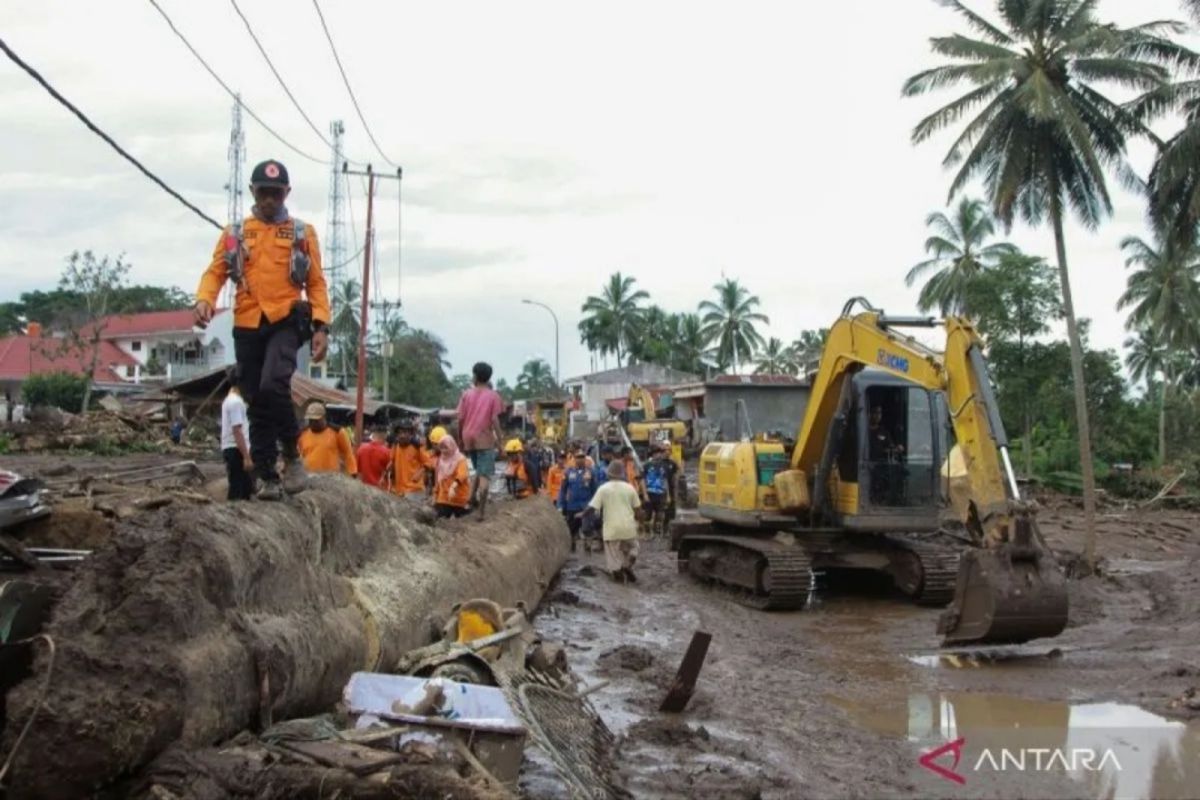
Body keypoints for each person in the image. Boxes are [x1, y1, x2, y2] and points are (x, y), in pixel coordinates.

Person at [195, 158, 330, 501]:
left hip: (286, 318)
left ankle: (292, 454)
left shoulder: (302, 233)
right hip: (248, 322)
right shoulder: (236, 233)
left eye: (276, 193)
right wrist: (204, 300)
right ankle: (268, 476)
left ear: (287, 193)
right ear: (253, 192)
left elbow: (316, 284)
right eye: (264, 193)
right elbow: (215, 272)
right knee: (256, 399)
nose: (270, 200)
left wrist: (321, 327)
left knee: (274, 384)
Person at [456, 362, 505, 520]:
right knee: (485, 477)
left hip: (468, 436)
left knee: (479, 469)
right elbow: (495, 420)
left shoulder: (466, 394)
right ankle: (481, 512)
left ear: (475, 376)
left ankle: (471, 498)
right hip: (484, 439)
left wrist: (460, 438)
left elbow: (460, 418)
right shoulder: (493, 396)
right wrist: (500, 441)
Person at [585, 461, 644, 582]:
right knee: (634, 548)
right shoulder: (630, 488)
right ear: (622, 474)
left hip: (611, 530)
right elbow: (638, 510)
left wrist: (582, 514)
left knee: (614, 557)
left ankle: (619, 581)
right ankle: (628, 565)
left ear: (609, 474)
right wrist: (641, 523)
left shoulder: (603, 489)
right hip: (628, 528)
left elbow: (591, 508)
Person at [298, 403, 357, 476]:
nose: (313, 423)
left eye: (316, 420)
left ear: (324, 417)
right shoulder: (303, 434)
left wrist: (353, 472)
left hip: (331, 477)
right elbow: (300, 455)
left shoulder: (337, 432)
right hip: (310, 477)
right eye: (311, 420)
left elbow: (348, 453)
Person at [558, 450, 598, 552]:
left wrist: (595, 505)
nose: (580, 459)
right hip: (572, 506)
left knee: (587, 529)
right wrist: (561, 505)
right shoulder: (568, 472)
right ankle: (572, 549)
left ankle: (587, 549)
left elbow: (595, 490)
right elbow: (563, 490)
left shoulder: (591, 472)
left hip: (586, 506)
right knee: (571, 530)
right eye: (578, 457)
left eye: (582, 457)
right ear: (574, 459)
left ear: (585, 459)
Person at [220, 384, 253, 501]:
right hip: (236, 449)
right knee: (239, 489)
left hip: (232, 448)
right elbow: (237, 430)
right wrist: (246, 457)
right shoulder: (236, 403)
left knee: (243, 487)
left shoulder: (228, 401)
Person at [433, 434, 471, 518]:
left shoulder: (460, 459)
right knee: (439, 518)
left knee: (463, 518)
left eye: (446, 448)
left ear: (452, 446)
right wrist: (435, 495)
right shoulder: (440, 461)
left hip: (459, 497)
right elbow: (437, 480)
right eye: (441, 448)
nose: (444, 451)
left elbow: (462, 474)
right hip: (444, 498)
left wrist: (453, 486)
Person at [642, 444, 675, 536]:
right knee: (648, 515)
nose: (659, 455)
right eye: (657, 453)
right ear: (653, 454)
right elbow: (642, 480)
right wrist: (644, 494)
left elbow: (665, 480)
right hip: (650, 492)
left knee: (660, 514)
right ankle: (647, 533)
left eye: (660, 453)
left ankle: (657, 533)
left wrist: (668, 495)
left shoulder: (663, 466)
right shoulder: (646, 465)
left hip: (660, 493)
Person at [389, 420, 427, 496]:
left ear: (410, 434)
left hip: (414, 489)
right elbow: (391, 462)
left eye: (405, 432)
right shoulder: (395, 446)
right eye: (399, 433)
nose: (402, 435)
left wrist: (419, 473)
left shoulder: (417, 446)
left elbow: (428, 463)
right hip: (398, 490)